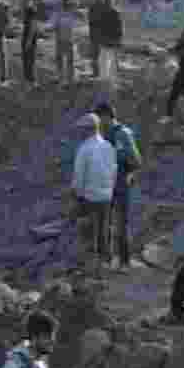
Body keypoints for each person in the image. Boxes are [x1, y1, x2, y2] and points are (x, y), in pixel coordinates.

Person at [94, 102, 142, 271]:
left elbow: (136, 160)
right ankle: (106, 260)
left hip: (119, 182)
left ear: (107, 116)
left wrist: (130, 175)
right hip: (104, 183)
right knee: (104, 223)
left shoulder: (123, 133)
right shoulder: (102, 134)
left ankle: (124, 261)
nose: (98, 123)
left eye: (100, 118)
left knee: (121, 223)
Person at [71, 112, 118, 273]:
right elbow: (114, 170)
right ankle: (105, 262)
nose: (80, 132)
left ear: (89, 129)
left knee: (87, 231)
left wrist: (76, 196)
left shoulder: (84, 149)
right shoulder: (109, 146)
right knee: (104, 229)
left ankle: (89, 267)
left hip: (89, 196)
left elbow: (79, 177)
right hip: (106, 195)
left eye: (83, 129)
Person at [97, 0, 123, 84]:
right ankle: (107, 80)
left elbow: (119, 28)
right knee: (106, 61)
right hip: (107, 40)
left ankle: (110, 81)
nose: (109, 1)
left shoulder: (114, 12)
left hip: (111, 40)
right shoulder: (105, 12)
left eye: (110, 0)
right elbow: (99, 27)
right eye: (108, 0)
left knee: (110, 61)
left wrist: (119, 39)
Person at [52, 0, 77, 85]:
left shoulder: (71, 13)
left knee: (69, 60)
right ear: (63, 4)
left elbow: (73, 26)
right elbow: (55, 26)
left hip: (68, 39)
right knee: (60, 60)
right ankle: (61, 77)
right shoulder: (59, 14)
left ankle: (69, 78)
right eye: (65, 3)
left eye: (67, 3)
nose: (66, 4)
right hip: (61, 39)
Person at [20, 0, 41, 85]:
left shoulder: (30, 9)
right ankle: (28, 79)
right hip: (28, 36)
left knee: (29, 59)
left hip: (29, 37)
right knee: (26, 58)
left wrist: (29, 40)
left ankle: (32, 79)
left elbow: (33, 26)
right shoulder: (30, 9)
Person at [87, 0, 105, 79]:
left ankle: (98, 73)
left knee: (98, 54)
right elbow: (90, 20)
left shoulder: (100, 6)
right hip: (96, 33)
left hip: (99, 33)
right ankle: (96, 72)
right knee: (95, 54)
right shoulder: (95, 6)